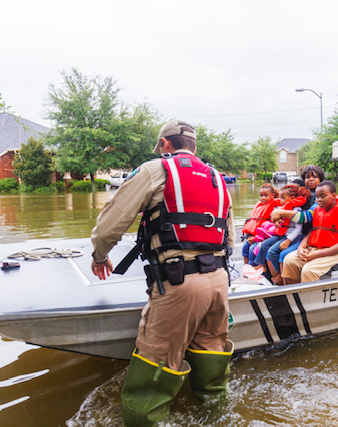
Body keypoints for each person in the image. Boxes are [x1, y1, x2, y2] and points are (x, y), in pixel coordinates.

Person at [90, 120, 235, 425]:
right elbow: (229, 240)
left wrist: (100, 255)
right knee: (211, 354)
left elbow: (109, 226)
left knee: (155, 363)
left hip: (179, 283)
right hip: (219, 280)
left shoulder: (155, 170)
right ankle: (217, 417)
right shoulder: (219, 179)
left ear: (166, 145)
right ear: (194, 147)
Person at [282, 180, 338, 284]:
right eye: (317, 197)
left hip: (336, 253)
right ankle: (296, 293)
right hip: (315, 248)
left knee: (308, 271)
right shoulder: (318, 211)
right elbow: (313, 231)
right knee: (289, 260)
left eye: (323, 196)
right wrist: (301, 248)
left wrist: (316, 255)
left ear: (333, 195)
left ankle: (311, 298)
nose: (319, 200)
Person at [269, 165, 325, 267]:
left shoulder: (321, 196)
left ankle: (284, 280)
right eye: (307, 177)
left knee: (283, 255)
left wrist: (280, 213)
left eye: (314, 177)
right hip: (298, 233)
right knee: (266, 248)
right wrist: (278, 219)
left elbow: (307, 217)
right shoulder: (303, 195)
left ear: (320, 179)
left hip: (310, 235)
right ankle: (272, 278)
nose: (311, 179)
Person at [262, 184, 311, 284]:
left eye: (283, 198)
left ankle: (282, 280)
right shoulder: (284, 209)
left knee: (277, 253)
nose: (281, 201)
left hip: (294, 238)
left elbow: (298, 229)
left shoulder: (296, 210)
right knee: (269, 250)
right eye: (280, 198)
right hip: (284, 236)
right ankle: (277, 277)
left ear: (292, 198)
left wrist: (288, 241)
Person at [241, 183, 280, 266]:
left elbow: (271, 229)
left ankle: (254, 269)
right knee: (245, 247)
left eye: (266, 195)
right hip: (255, 235)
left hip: (264, 237)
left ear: (272, 195)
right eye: (261, 195)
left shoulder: (274, 208)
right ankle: (246, 268)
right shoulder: (260, 206)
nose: (263, 198)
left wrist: (256, 238)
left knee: (252, 249)